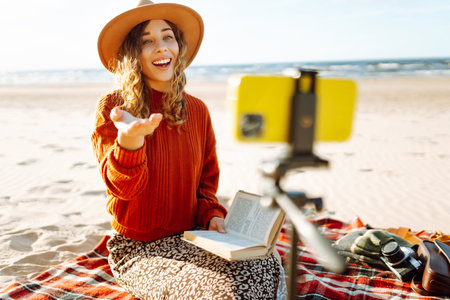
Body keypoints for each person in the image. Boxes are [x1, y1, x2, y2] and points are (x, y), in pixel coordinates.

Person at [92, 1, 285, 298]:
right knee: (228, 291)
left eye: (167, 36)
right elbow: (123, 190)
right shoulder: (115, 108)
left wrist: (213, 216)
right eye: (147, 41)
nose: (161, 47)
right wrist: (131, 141)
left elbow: (206, 185)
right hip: (138, 249)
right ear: (132, 53)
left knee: (262, 264)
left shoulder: (197, 109)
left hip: (196, 236)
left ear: (178, 46)